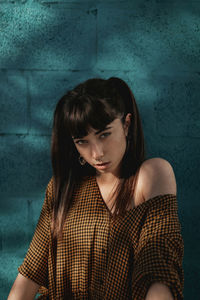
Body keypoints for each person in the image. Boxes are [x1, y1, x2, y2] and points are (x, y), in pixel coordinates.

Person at [8, 77, 184, 300]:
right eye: (83, 141)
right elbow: (31, 272)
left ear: (126, 124)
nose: (97, 153)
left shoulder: (152, 174)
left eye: (104, 134)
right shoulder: (64, 187)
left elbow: (159, 267)